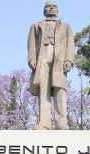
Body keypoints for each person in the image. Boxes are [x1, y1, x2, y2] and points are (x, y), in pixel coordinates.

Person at [27, 0, 74, 130]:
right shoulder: (35, 26)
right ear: (44, 10)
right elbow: (31, 44)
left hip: (59, 59)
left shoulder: (66, 26)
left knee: (60, 89)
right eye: (48, 6)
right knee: (44, 90)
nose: (51, 8)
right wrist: (31, 58)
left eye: (54, 6)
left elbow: (70, 45)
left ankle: (61, 122)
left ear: (57, 10)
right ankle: (44, 122)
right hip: (42, 57)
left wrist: (69, 60)